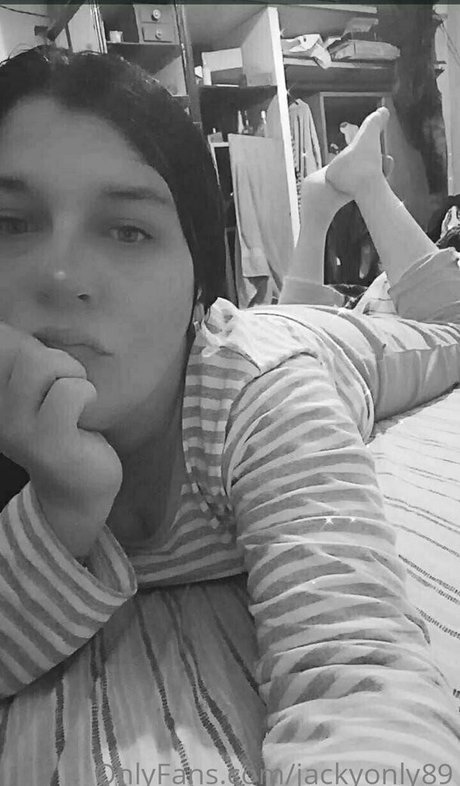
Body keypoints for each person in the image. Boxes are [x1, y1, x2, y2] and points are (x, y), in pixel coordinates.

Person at [0, 46, 459, 783]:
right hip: (256, 327)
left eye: (127, 230)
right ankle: (318, 207)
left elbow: (361, 676)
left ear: (197, 280)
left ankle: (362, 187)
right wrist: (61, 506)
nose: (61, 276)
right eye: (11, 222)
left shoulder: (259, 396)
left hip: (305, 344)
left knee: (451, 330)